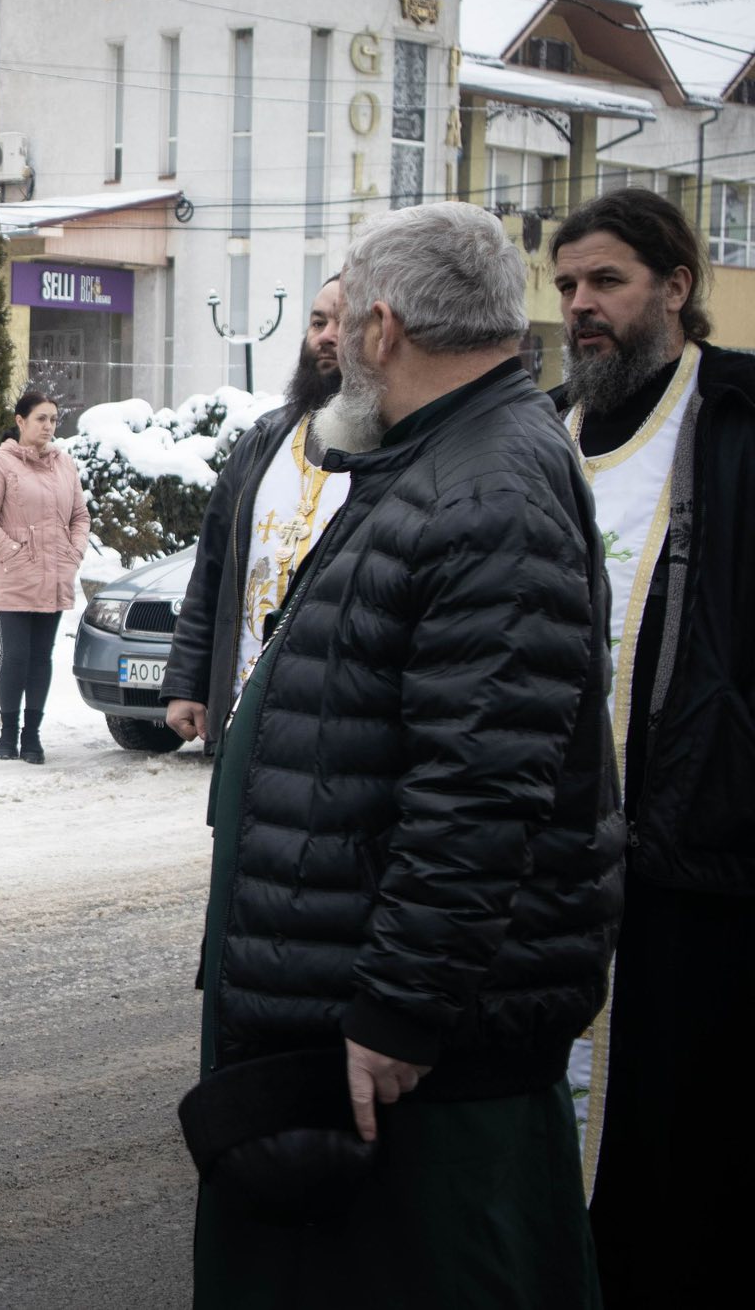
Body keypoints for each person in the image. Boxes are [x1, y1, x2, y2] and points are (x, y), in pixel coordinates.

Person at [192, 201, 621, 1308]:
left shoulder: (488, 485)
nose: (336, 345)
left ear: (383, 328)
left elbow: (479, 789)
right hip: (350, 1025)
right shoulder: (438, 457)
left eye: (348, 319)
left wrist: (399, 1006)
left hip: (417, 1068)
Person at [546, 188, 755, 1308]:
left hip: (692, 861)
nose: (581, 305)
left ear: (675, 286)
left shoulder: (734, 419)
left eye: (606, 281)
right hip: (546, 858)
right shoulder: (540, 431)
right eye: (567, 285)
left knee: (676, 1151)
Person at [164, 276, 377, 750]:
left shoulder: (397, 450)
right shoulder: (263, 441)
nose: (326, 336)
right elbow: (211, 571)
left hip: (337, 725)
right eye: (317, 322)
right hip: (243, 713)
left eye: (344, 323)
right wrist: (187, 682)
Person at [0, 390, 90, 763]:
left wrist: (74, 552)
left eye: (53, 419)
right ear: (20, 421)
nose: (48, 426)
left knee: (41, 657)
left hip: (54, 574)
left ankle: (32, 735)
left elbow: (80, 516)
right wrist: (12, 553)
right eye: (41, 418)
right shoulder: (0, 464)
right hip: (16, 577)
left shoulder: (64, 465)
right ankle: (8, 734)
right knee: (16, 656)